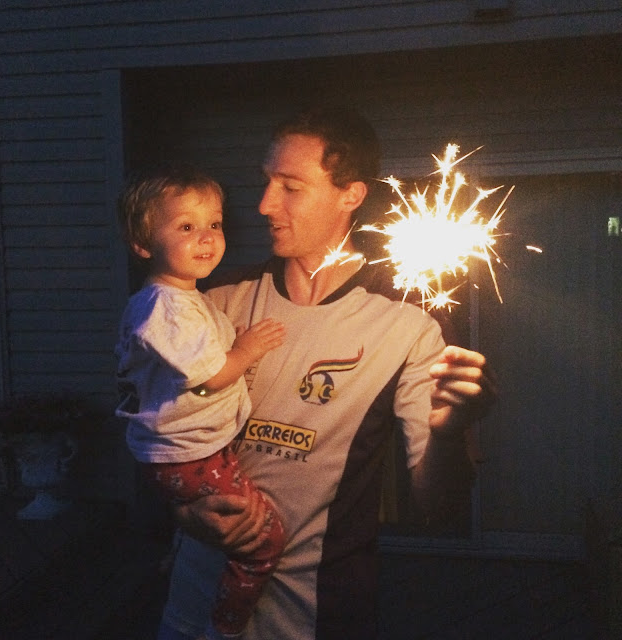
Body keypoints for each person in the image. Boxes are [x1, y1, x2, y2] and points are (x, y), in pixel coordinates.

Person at [157, 107, 497, 640]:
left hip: (312, 618)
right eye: (267, 181)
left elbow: (440, 504)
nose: (265, 203)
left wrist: (449, 433)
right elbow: (156, 431)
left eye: (290, 187)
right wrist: (184, 512)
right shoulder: (215, 301)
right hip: (191, 611)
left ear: (350, 195)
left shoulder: (409, 323)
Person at [114, 165, 287, 640]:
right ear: (142, 244)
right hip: (189, 455)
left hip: (192, 450)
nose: (207, 237)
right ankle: (225, 626)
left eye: (214, 223)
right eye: (186, 227)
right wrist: (247, 350)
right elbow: (209, 379)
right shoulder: (166, 306)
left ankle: (179, 555)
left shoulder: (186, 299)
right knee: (263, 540)